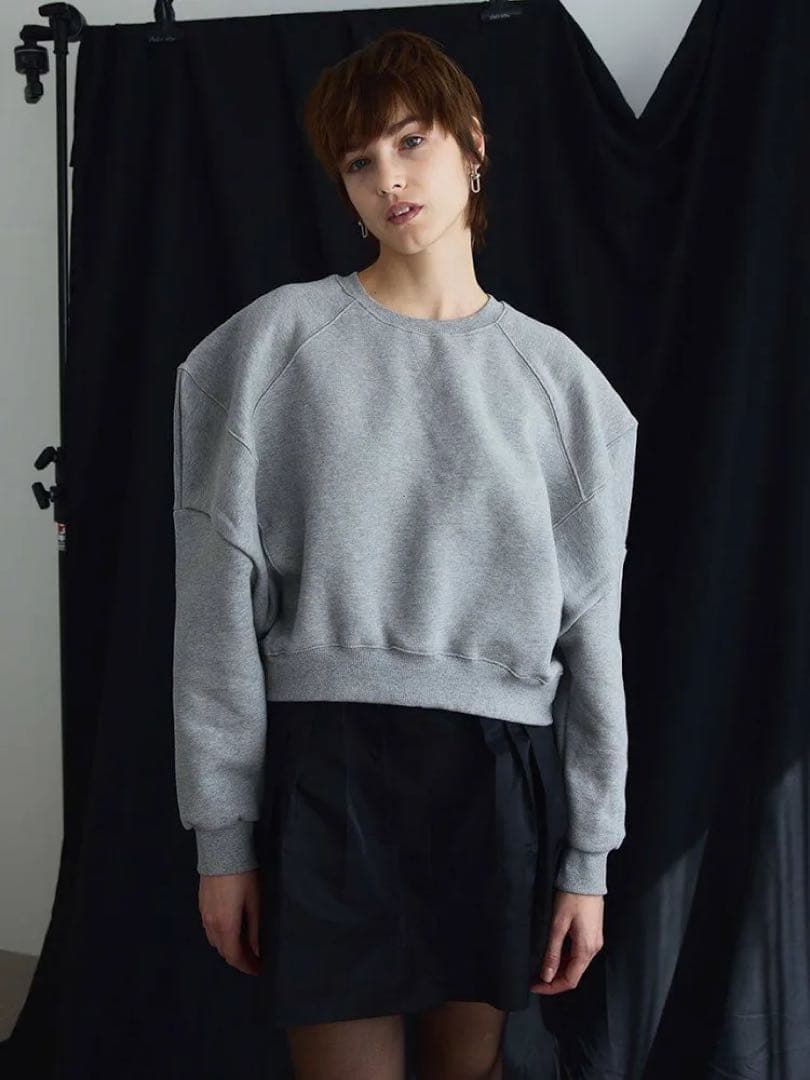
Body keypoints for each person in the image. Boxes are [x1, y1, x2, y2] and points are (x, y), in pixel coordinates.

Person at [172, 28, 638, 1080]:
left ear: (473, 145)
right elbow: (212, 612)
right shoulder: (266, 349)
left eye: (411, 141)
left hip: (497, 778)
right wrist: (223, 839)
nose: (388, 177)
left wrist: (589, 861)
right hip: (329, 773)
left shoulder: (567, 390)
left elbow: (594, 641)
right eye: (359, 160)